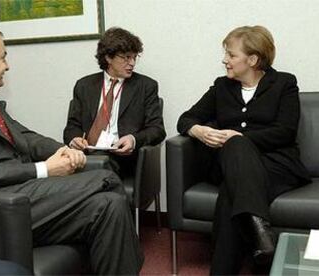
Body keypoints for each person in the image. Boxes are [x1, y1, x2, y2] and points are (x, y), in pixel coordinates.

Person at [0, 20, 143, 275]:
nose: (7, 66)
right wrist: (44, 169)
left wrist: (64, 151)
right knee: (107, 178)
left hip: (20, 195)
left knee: (109, 205)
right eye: (3, 57)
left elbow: (27, 138)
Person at [177, 25, 311, 275]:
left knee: (231, 190)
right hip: (230, 162)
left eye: (231, 55)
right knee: (235, 148)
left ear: (253, 59)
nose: (224, 60)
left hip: (275, 164)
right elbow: (186, 119)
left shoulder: (284, 83)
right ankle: (259, 231)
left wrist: (240, 136)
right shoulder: (221, 87)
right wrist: (199, 131)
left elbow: (285, 131)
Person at [63, 27, 166, 178]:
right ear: (108, 58)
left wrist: (133, 139)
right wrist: (75, 139)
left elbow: (157, 130)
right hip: (86, 154)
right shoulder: (84, 85)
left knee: (98, 164)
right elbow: (72, 126)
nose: (132, 63)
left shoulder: (146, 86)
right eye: (126, 57)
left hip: (121, 158)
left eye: (134, 57)